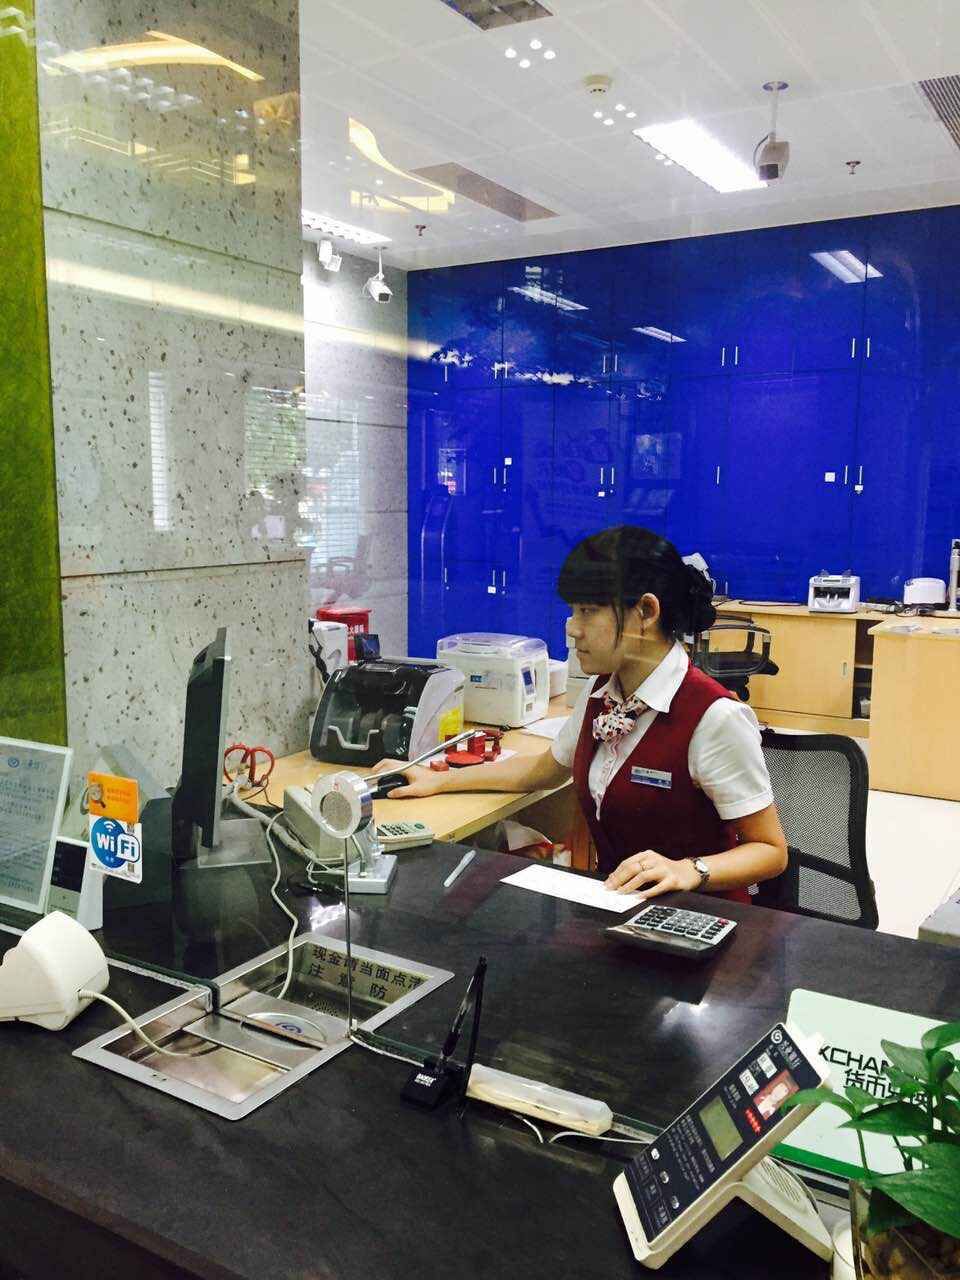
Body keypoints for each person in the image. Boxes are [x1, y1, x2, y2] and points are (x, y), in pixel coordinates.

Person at [376, 526, 787, 904]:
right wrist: (438, 779)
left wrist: (689, 870)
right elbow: (541, 771)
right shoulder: (601, 692)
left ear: (646, 612)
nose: (572, 628)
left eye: (588, 611)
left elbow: (770, 851)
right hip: (618, 909)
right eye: (573, 611)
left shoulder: (714, 717)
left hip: (701, 922)